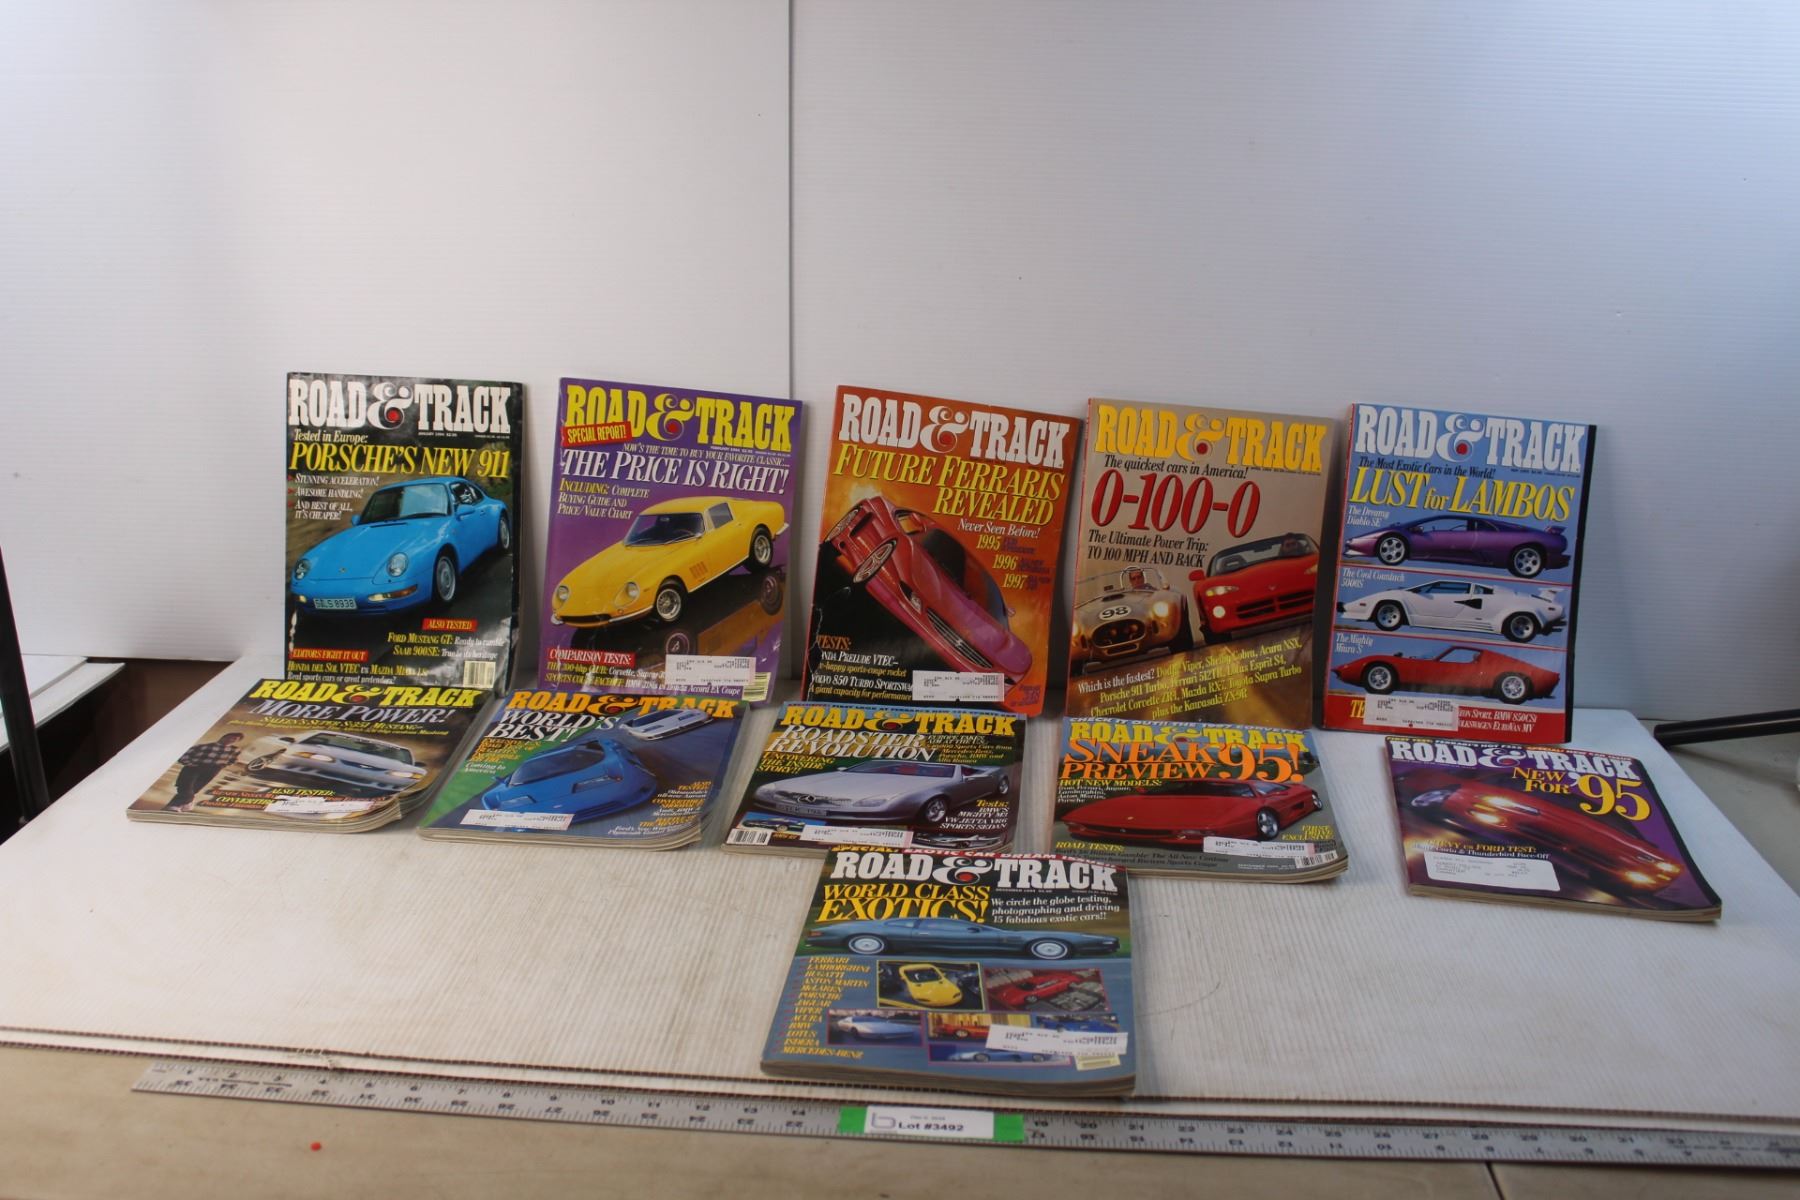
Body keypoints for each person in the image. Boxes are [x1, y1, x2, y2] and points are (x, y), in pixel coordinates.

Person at [168, 731, 245, 813]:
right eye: (229, 737)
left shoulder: (235, 750)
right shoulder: (202, 746)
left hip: (213, 769)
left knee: (195, 789)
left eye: (234, 739)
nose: (231, 740)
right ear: (223, 737)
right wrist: (190, 764)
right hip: (194, 767)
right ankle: (186, 802)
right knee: (185, 786)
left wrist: (221, 766)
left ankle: (175, 805)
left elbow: (233, 760)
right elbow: (183, 757)